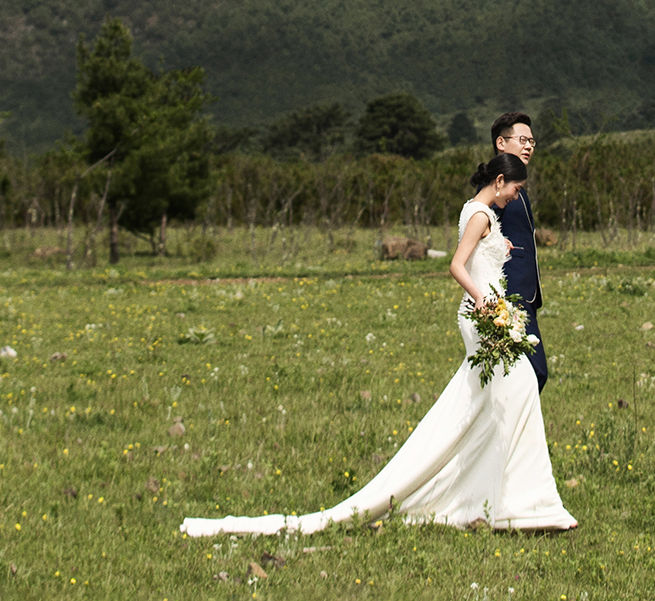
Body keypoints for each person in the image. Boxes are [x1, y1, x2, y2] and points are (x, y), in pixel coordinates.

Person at [177, 152, 576, 536]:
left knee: (503, 395)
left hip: (494, 315)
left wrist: (499, 250)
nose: (516, 197)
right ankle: (522, 502)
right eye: (515, 189)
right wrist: (482, 299)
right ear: (500, 180)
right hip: (484, 315)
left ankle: (507, 496)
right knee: (518, 383)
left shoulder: (478, 211)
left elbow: (480, 255)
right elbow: (456, 264)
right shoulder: (478, 213)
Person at [489, 112, 548, 390]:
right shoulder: (496, 185)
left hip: (526, 296)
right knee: (533, 374)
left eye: (532, 142)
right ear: (501, 143)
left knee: (522, 377)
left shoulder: (516, 187)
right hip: (509, 298)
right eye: (522, 140)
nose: (528, 147)